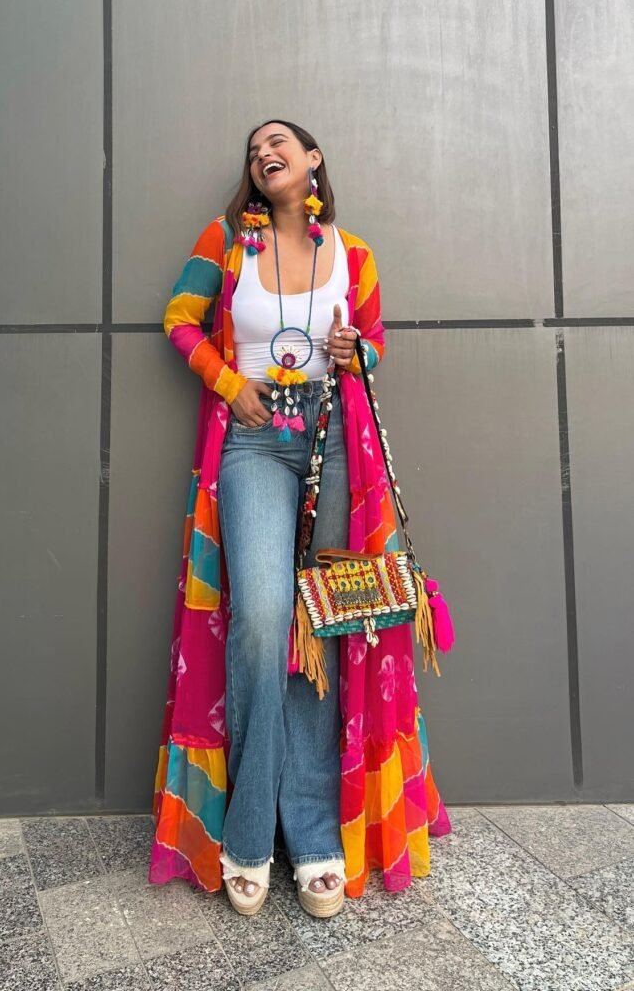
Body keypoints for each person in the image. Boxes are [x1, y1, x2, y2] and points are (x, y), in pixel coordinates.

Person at [148, 119, 452, 918]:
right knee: (260, 616)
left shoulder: (352, 254)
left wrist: (359, 354)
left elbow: (375, 345)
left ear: (313, 159)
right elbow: (178, 317)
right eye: (252, 150)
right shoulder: (226, 238)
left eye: (277, 142)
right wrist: (223, 379)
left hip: (329, 439)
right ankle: (248, 830)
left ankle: (313, 832)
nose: (262, 154)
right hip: (254, 438)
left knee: (321, 625)